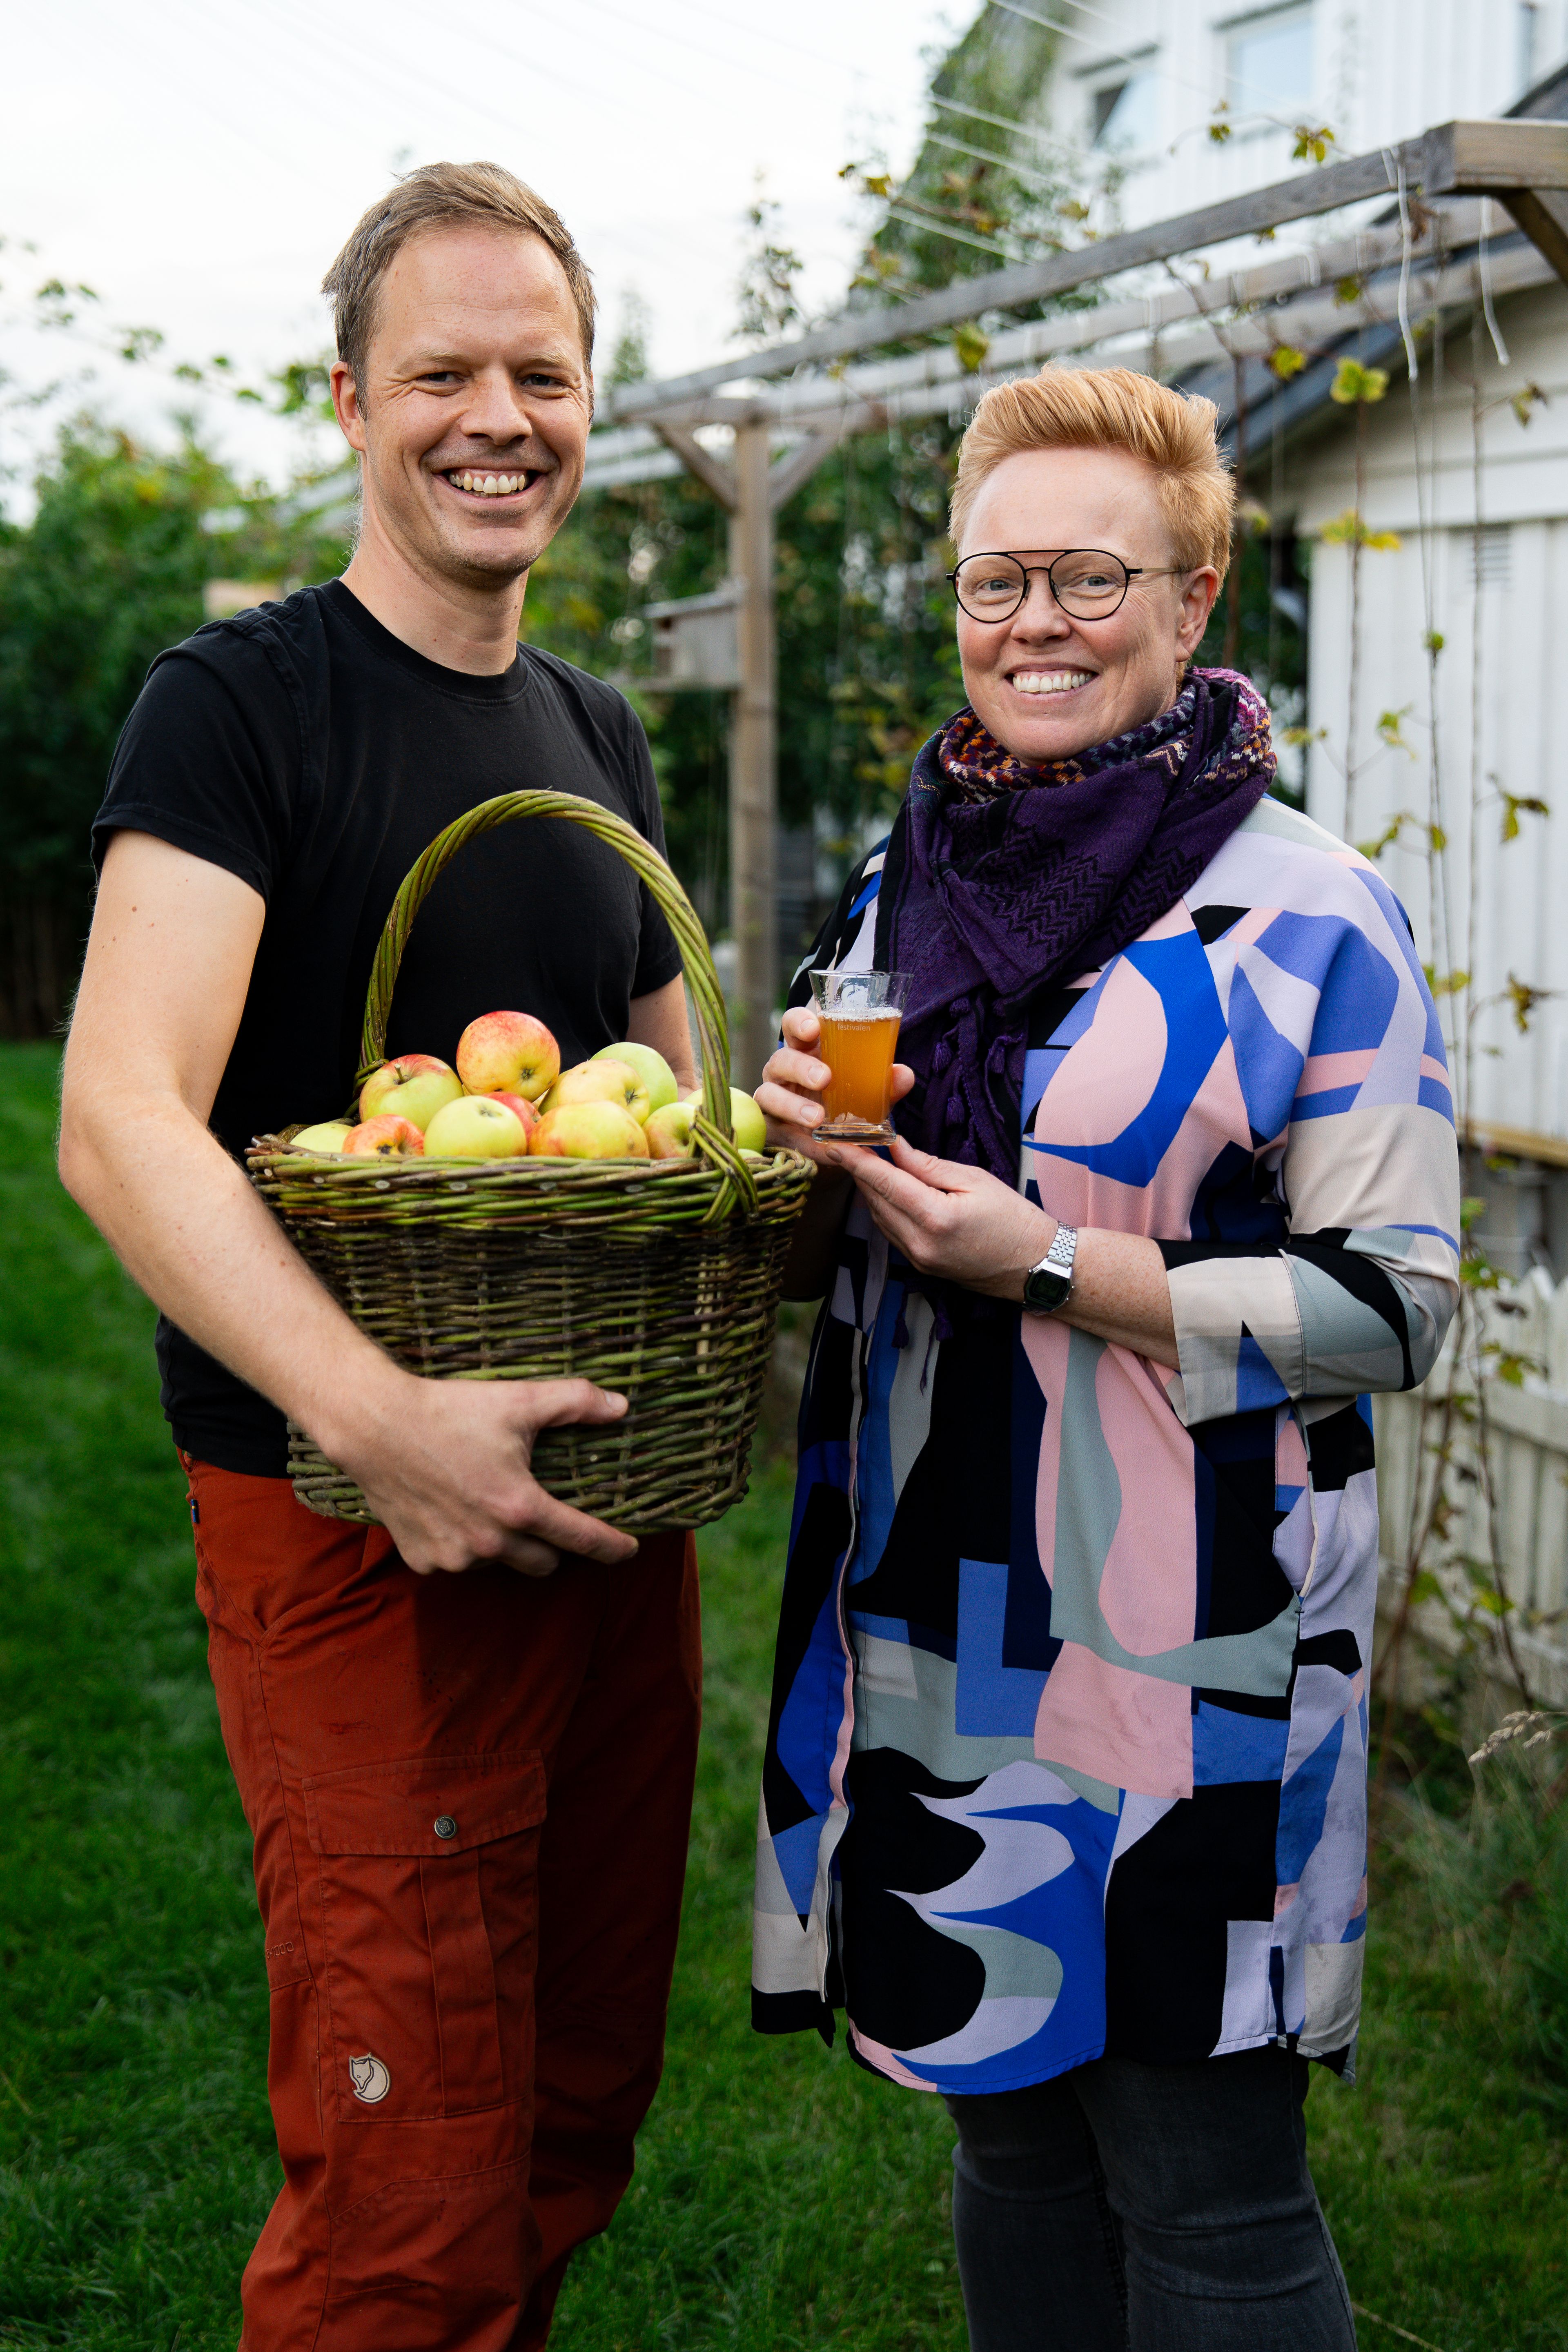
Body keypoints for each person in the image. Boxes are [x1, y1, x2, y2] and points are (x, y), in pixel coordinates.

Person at [59, 163, 702, 2351]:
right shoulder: (241, 708)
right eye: (445, 370)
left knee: (568, 2112)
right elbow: (118, 1117)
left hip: (607, 1510)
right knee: (406, 2188)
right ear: (351, 399)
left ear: (591, 401)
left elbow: (663, 1133)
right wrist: (384, 1422)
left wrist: (788, 1133)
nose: (497, 412)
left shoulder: (594, 736)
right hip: (354, 1527)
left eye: (543, 369)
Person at [752, 365, 1459, 2350]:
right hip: (945, 1610)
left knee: (1209, 2189)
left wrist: (1058, 1261)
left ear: (1197, 594)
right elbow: (841, 1243)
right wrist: (804, 1157)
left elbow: (1400, 1306)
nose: (1034, 624)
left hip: (1191, 1638)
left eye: (1089, 577)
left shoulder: (1314, 915)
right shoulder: (911, 883)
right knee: (1010, 2140)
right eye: (996, 580)